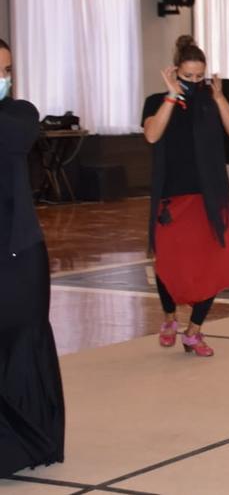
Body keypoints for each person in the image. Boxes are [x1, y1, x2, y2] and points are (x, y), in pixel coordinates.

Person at [142, 36, 229, 358]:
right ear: (175, 72)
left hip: (210, 196)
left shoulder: (209, 100)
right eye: (187, 76)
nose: (193, 82)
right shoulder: (156, 101)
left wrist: (218, 98)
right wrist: (172, 98)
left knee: (216, 263)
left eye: (198, 76)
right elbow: (151, 134)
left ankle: (195, 330)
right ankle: (170, 318)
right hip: (173, 198)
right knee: (169, 263)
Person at [0, 38, 66, 477]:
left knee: (22, 341)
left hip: (18, 250)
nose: (3, 77)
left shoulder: (20, 114)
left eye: (6, 69)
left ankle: (25, 442)